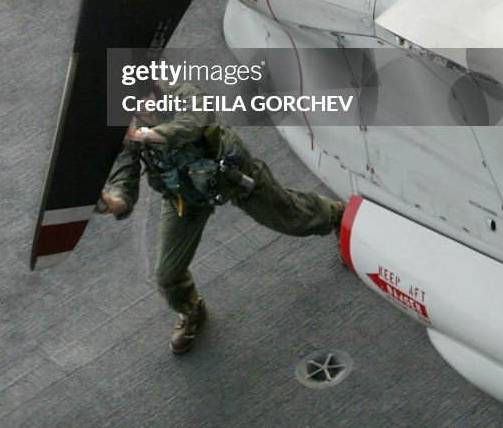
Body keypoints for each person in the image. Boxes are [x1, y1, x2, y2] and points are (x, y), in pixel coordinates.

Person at [100, 81, 345, 354]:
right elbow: (124, 182)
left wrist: (144, 134)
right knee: (167, 276)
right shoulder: (127, 131)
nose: (142, 108)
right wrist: (112, 203)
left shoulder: (183, 94)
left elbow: (191, 125)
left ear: (153, 91)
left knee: (291, 217)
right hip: (184, 196)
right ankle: (191, 310)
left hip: (231, 176)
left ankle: (336, 215)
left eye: (142, 99)